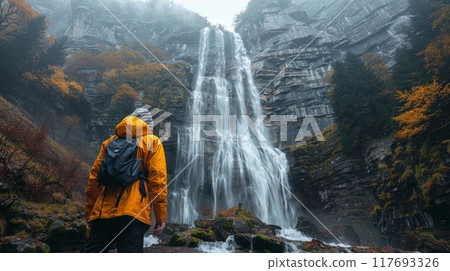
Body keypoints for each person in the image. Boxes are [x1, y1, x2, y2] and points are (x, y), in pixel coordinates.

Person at [82, 107, 167, 253]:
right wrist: (160, 217)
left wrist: (90, 214)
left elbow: (94, 179)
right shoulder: (152, 142)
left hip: (103, 213)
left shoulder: (109, 142)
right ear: (148, 126)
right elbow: (157, 181)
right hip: (134, 213)